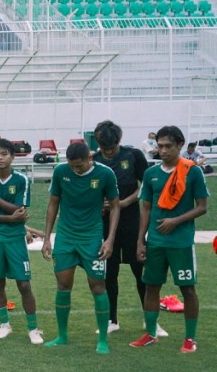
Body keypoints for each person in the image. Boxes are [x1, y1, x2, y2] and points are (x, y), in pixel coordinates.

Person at [131, 125, 209, 353]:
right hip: (155, 242)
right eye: (159, 146)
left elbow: (202, 207)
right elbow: (145, 208)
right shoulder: (150, 173)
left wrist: (175, 221)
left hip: (181, 242)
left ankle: (190, 338)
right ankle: (151, 334)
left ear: (180, 145)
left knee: (188, 289)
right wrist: (140, 240)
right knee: (151, 287)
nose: (163, 151)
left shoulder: (192, 171)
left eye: (168, 146)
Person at [41, 142, 120, 354]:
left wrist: (109, 239)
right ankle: (62, 336)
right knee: (63, 285)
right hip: (66, 236)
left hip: (92, 237)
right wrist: (47, 238)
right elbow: (53, 203)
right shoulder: (61, 172)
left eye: (80, 165)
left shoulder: (105, 174)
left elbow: (114, 206)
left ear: (90, 158)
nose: (76, 169)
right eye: (72, 166)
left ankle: (102, 339)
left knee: (98, 286)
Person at [92, 120, 155, 336]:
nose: (108, 152)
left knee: (140, 270)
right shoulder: (93, 160)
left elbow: (146, 185)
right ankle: (112, 320)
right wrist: (99, 204)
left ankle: (150, 320)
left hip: (131, 221)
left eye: (112, 147)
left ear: (119, 141)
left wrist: (124, 203)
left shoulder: (133, 155)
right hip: (105, 225)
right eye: (104, 148)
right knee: (109, 272)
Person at [0, 139, 43, 344]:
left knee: (24, 285)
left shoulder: (21, 180)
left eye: (4, 154)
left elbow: (20, 211)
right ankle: (4, 325)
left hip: (15, 238)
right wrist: (10, 217)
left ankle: (33, 328)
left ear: (13, 157)